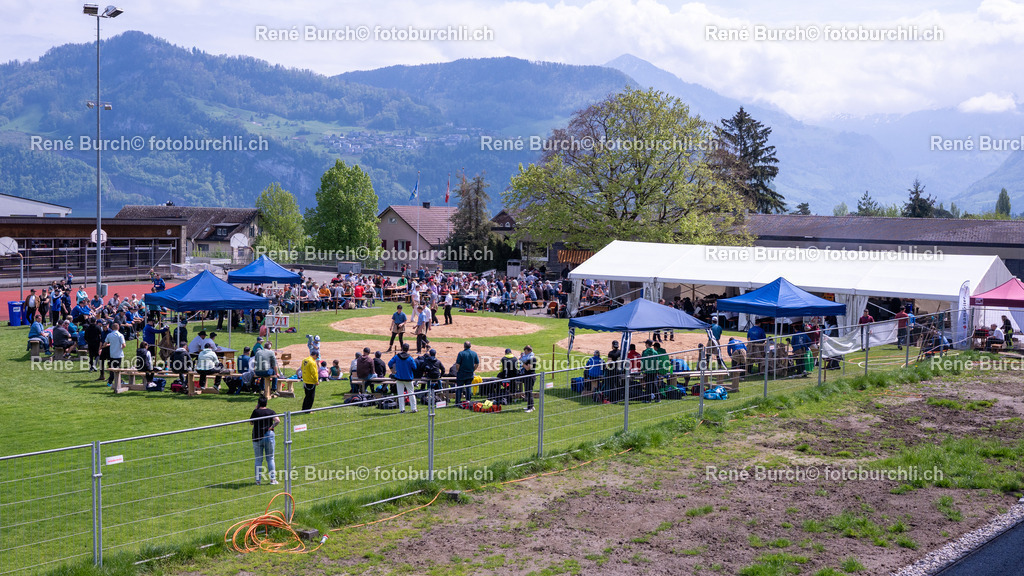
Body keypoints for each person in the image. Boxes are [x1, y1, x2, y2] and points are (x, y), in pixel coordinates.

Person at [250, 396, 280, 485]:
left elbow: (251, 422)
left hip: (257, 437)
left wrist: (256, 409)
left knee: (258, 459)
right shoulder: (270, 411)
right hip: (269, 435)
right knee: (270, 458)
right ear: (266, 403)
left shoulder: (256, 412)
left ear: (258, 403)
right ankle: (272, 480)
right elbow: (277, 420)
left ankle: (258, 480)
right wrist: (271, 427)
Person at [388, 343, 418, 413]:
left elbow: (390, 363)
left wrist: (393, 371)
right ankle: (413, 408)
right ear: (408, 349)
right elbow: (415, 367)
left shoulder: (397, 356)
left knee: (400, 394)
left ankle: (402, 409)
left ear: (402, 348)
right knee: (411, 393)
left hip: (399, 378)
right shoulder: (410, 358)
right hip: (408, 378)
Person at [520, 345, 537, 412]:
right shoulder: (527, 358)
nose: (525, 352)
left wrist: (522, 363)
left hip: (530, 377)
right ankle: (530, 406)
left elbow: (528, 368)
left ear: (529, 351)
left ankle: (530, 408)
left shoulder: (532, 359)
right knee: (527, 392)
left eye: (526, 351)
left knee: (529, 391)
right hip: (527, 376)